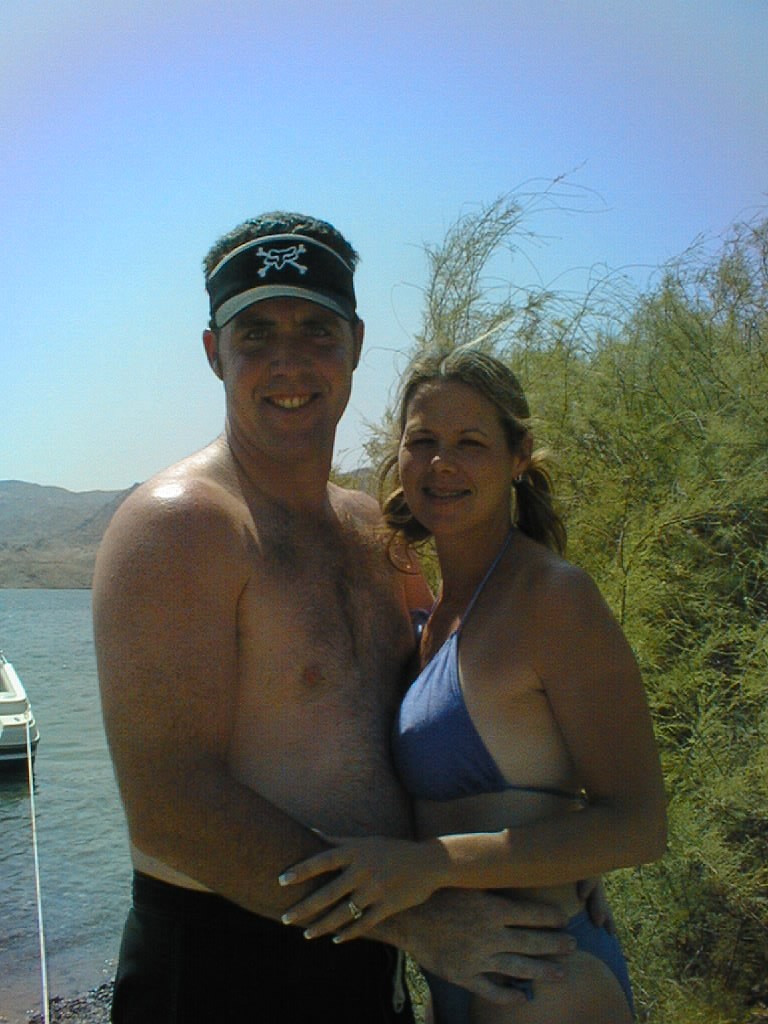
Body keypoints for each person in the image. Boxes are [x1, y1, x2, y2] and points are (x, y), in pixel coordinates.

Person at [93, 215, 587, 1024]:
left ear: (354, 344)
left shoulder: (373, 531)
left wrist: (545, 845)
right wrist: (420, 923)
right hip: (228, 962)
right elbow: (170, 803)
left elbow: (454, 713)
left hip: (368, 949)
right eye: (256, 333)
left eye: (316, 331)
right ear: (215, 353)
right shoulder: (184, 525)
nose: (288, 361)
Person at [278, 347, 668, 1022]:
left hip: (546, 979)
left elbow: (639, 826)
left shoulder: (553, 599)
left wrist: (431, 865)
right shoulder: (439, 609)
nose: (441, 463)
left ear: (519, 457)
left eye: (471, 443)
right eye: (422, 441)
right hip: (464, 973)